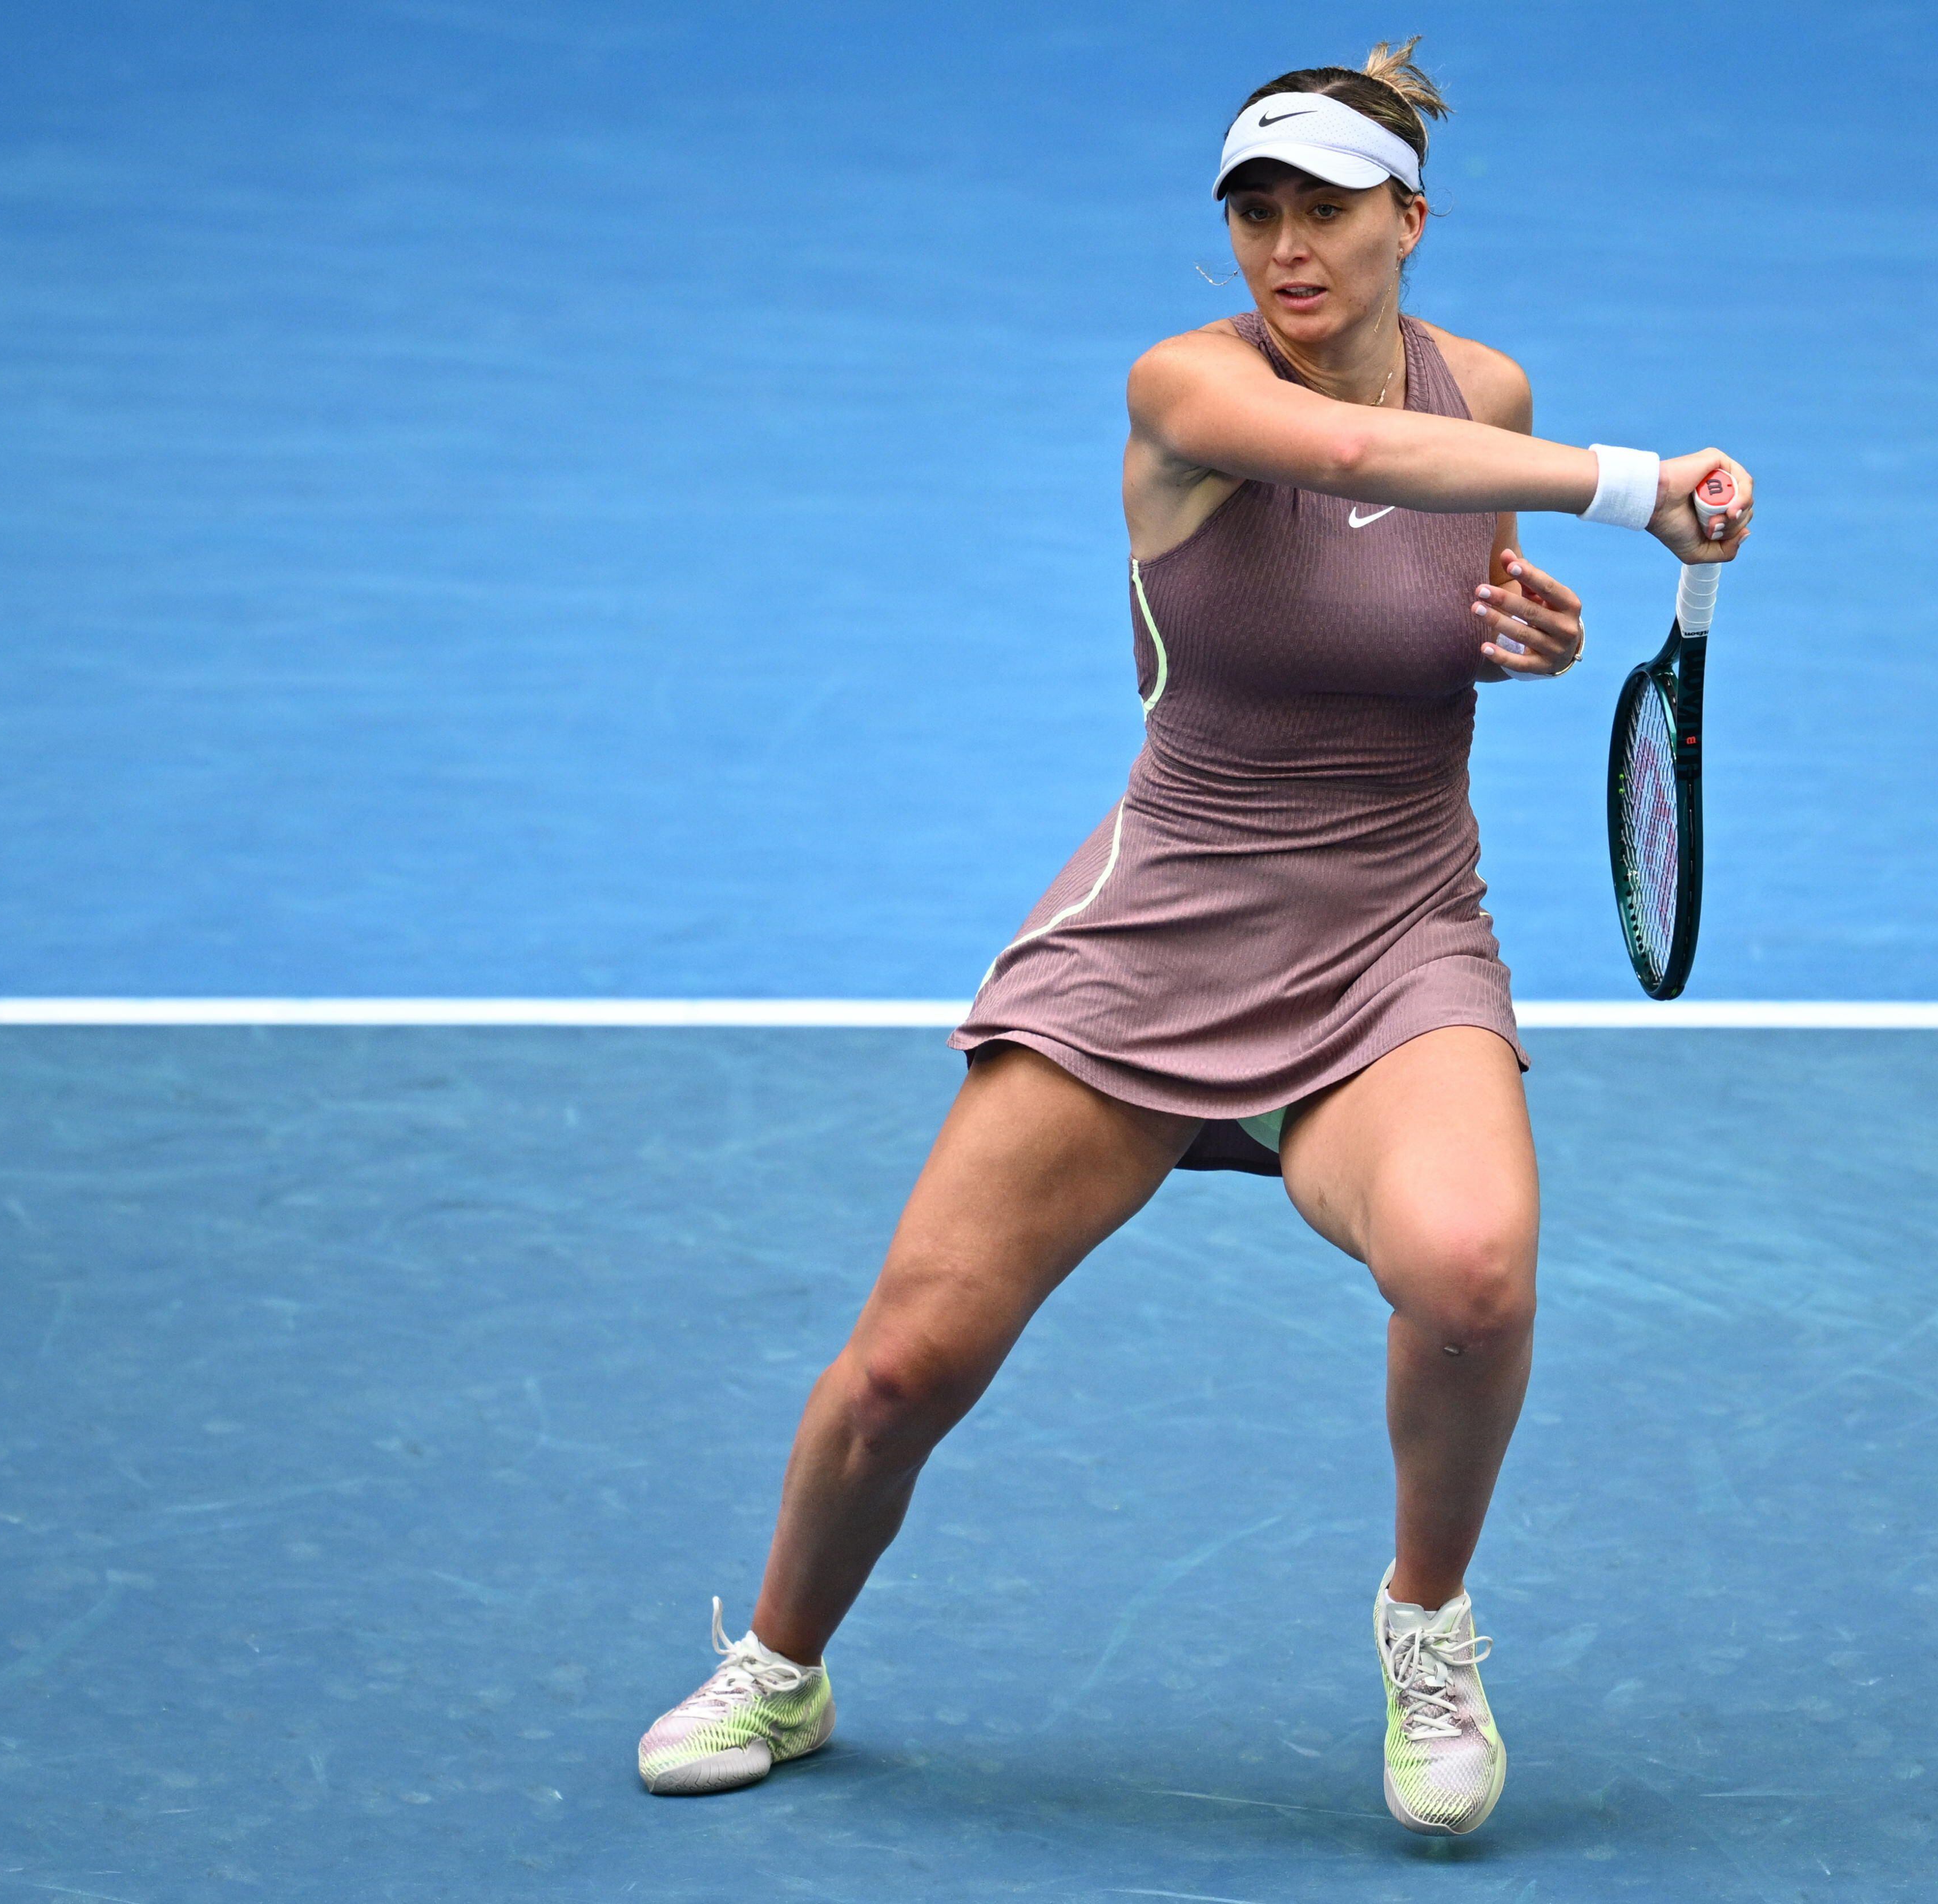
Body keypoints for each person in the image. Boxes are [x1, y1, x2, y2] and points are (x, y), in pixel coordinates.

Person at [636, 37, 1751, 1836]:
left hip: (1396, 935)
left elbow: (1433, 575)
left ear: (1410, 217)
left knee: (1473, 1274)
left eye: (1323, 210)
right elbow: (1353, 453)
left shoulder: (1493, 389)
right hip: (1156, 935)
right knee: (908, 1364)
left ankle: (1427, 1622)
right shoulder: (1188, 386)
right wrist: (1632, 486)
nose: (1285, 251)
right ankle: (782, 1660)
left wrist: (1519, 637)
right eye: (1255, 214)